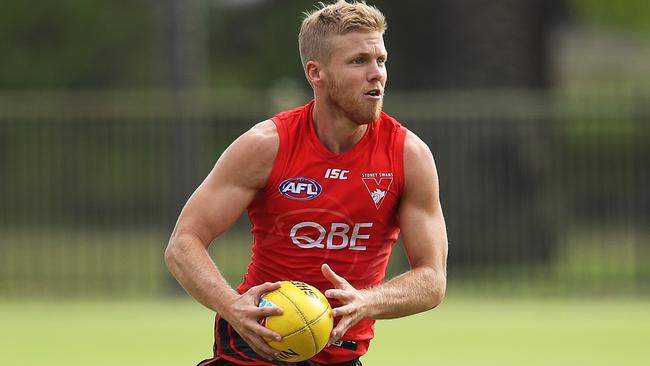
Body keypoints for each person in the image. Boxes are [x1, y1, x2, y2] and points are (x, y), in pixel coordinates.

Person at [165, 1, 448, 365]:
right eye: (358, 61)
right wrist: (232, 305)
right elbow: (183, 243)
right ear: (316, 73)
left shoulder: (409, 155)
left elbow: (432, 279)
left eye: (380, 59)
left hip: (343, 354)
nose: (376, 73)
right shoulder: (267, 145)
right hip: (256, 345)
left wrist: (367, 301)